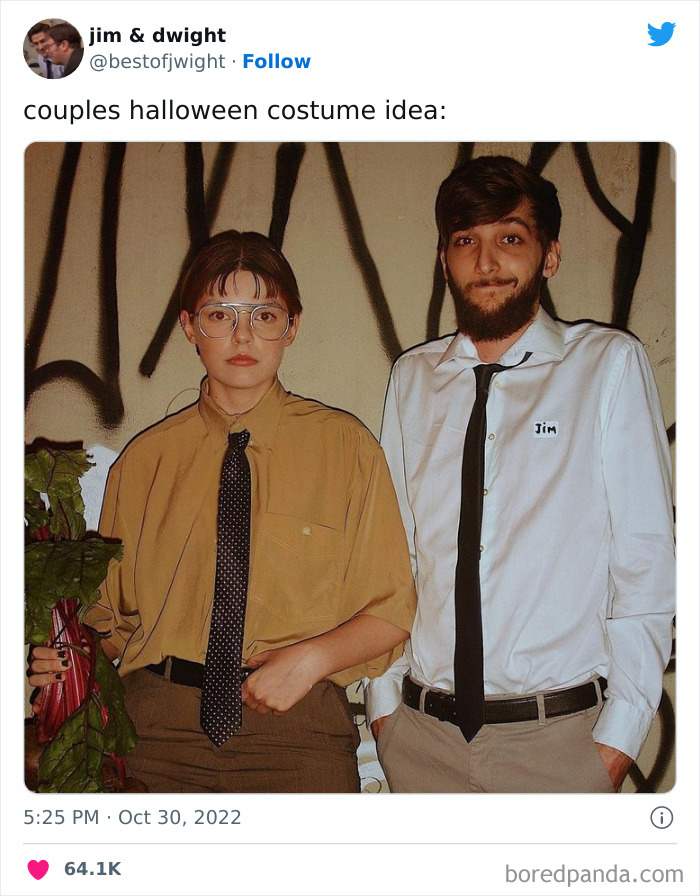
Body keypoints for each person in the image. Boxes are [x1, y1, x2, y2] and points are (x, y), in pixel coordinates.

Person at [29, 230, 416, 793]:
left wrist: (309, 661)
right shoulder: (144, 462)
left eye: (264, 314)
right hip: (154, 734)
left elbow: (392, 610)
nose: (243, 334)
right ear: (189, 326)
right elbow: (109, 621)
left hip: (297, 733)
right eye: (220, 314)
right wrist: (67, 659)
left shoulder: (348, 449)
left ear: (292, 326)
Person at [365, 155, 675, 793]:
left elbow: (645, 559)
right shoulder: (413, 378)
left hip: (560, 744)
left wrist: (617, 739)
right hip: (420, 740)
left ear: (549, 255)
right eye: (465, 242)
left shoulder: (607, 366)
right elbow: (385, 553)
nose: (486, 263)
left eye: (510, 238)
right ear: (444, 258)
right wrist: (382, 706)